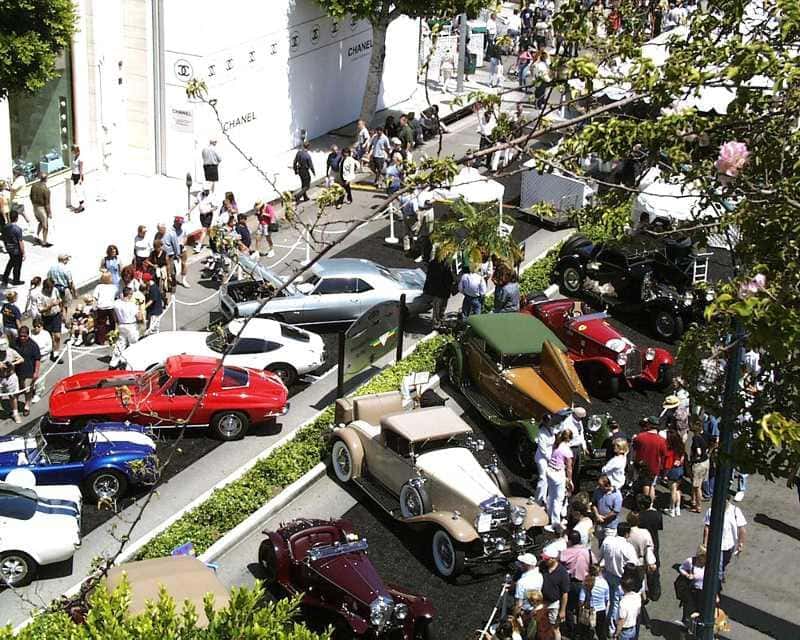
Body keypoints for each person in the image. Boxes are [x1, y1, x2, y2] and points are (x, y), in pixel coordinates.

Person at [600, 523, 638, 632]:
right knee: (616, 603)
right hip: (620, 578)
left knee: (608, 600)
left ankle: (606, 622)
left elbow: (600, 556)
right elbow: (634, 563)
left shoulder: (607, 541)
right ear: (627, 534)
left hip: (607, 575)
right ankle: (612, 628)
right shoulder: (628, 547)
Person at [703, 496, 746, 581]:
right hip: (716, 544)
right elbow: (707, 528)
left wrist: (740, 543)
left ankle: (721, 572)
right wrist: (705, 543)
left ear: (728, 500)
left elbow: (742, 529)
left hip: (730, 544)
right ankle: (717, 581)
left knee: (725, 561)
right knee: (718, 564)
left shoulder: (735, 511)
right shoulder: (711, 511)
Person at [560, 529, 593, 630]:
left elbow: (561, 563)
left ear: (570, 541)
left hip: (570, 583)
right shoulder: (588, 552)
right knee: (582, 606)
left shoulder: (565, 552)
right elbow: (594, 564)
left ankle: (571, 629)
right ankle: (582, 628)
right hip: (585, 583)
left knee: (569, 607)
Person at [632, 416, 667, 500]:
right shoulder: (662, 441)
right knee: (651, 486)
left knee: (645, 485)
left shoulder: (640, 437)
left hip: (641, 465)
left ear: (649, 425)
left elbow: (634, 450)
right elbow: (664, 455)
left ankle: (645, 503)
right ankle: (650, 504)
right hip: (655, 467)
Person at [546, 429, 574, 529]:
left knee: (551, 495)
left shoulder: (556, 445)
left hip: (550, 471)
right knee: (558, 499)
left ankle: (548, 515)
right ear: (569, 439)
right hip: (558, 474)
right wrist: (569, 480)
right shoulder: (567, 450)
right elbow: (569, 468)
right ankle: (555, 523)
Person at [541, 548, 570, 639]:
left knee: (555, 628)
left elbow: (565, 593)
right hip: (541, 603)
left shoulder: (562, 572)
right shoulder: (542, 567)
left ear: (553, 559)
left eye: (546, 559)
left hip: (554, 604)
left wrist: (562, 610)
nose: (544, 560)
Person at [110, 287, 140, 367]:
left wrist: (117, 321)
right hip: (131, 325)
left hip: (121, 324)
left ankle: (114, 362)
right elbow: (139, 317)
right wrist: (139, 309)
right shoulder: (132, 305)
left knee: (120, 344)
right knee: (133, 344)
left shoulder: (116, 303)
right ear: (129, 294)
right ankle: (129, 362)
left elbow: (114, 313)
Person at [423, 253, 455, 330]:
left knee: (437, 306)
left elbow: (429, 276)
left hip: (437, 290)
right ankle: (438, 321)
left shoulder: (433, 263)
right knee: (441, 306)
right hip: (443, 290)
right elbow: (449, 278)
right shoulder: (447, 265)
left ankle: (437, 321)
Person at [13, 326, 40, 417]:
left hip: (29, 371)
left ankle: (27, 406)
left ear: (28, 335)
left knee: (27, 390)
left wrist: (36, 372)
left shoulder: (33, 345)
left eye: (24, 336)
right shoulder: (14, 343)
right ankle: (15, 408)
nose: (22, 338)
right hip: (17, 371)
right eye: (21, 336)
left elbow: (37, 359)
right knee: (16, 390)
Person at [578, 564, 610, 640]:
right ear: (599, 572)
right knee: (601, 632)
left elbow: (581, 600)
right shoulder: (604, 583)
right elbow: (607, 599)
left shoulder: (586, 582)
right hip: (600, 610)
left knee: (585, 632)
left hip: (588, 610)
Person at [677, 545, 707, 625]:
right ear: (700, 555)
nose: (706, 559)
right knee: (689, 609)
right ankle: (686, 624)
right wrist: (687, 575)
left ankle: (697, 625)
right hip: (693, 590)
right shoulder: (690, 561)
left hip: (704, 591)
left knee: (701, 610)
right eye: (704, 556)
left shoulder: (709, 564)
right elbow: (681, 568)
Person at [633, 494, 663, 566]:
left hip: (642, 539)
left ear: (642, 505)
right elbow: (659, 527)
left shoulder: (639, 517)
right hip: (654, 538)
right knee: (654, 554)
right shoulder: (658, 514)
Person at [592, 474, 622, 542]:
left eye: (600, 485)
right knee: (600, 542)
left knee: (609, 544)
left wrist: (604, 517)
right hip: (599, 523)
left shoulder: (617, 495)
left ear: (607, 486)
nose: (598, 486)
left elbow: (615, 511)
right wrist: (597, 515)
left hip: (610, 527)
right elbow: (594, 503)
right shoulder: (597, 491)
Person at [0, 336, 23, 423]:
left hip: (10, 377)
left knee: (13, 396)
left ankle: (15, 413)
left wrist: (13, 363)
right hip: (0, 378)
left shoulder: (11, 351)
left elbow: (21, 359)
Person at [39, 278, 63, 360]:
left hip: (56, 315)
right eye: (49, 288)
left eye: (52, 287)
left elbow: (59, 299)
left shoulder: (55, 290)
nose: (51, 290)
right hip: (46, 317)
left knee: (57, 336)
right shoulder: (40, 295)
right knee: (49, 337)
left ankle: (56, 354)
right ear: (45, 287)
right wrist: (50, 306)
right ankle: (51, 350)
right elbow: (40, 310)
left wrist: (61, 309)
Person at [664, 429, 686, 517]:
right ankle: (677, 508)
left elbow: (668, 464)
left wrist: (665, 474)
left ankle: (672, 509)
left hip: (672, 470)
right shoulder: (681, 447)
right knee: (677, 489)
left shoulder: (670, 450)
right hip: (680, 469)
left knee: (673, 490)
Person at [613, 574, 641, 640]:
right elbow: (638, 612)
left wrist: (616, 634)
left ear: (623, 588)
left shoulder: (623, 602)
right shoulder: (637, 596)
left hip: (624, 631)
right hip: (633, 628)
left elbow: (621, 620)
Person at [93, 271, 117, 345]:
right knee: (112, 322)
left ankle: (101, 340)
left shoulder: (99, 287)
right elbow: (116, 296)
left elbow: (95, 297)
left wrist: (94, 307)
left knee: (101, 324)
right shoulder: (113, 287)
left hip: (101, 307)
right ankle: (112, 338)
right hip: (111, 306)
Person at [164, 217, 190, 288]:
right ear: (175, 222)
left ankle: (184, 280)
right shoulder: (170, 230)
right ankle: (171, 280)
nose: (180, 225)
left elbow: (185, 237)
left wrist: (182, 243)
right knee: (171, 265)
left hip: (182, 249)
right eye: (179, 223)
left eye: (181, 223)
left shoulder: (183, 229)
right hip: (172, 250)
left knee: (184, 264)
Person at [29, 319, 51, 404]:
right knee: (33, 375)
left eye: (38, 326)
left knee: (40, 376)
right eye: (35, 326)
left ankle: (38, 393)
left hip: (43, 358)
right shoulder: (31, 333)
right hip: (32, 359)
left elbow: (49, 348)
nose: (36, 328)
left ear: (41, 326)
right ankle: (34, 387)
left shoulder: (46, 334)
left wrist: (39, 353)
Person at [2, 209, 25, 287]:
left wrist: (6, 247)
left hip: (9, 248)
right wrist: (23, 252)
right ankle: (16, 280)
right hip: (16, 250)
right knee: (17, 266)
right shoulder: (18, 229)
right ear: (17, 218)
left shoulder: (5, 227)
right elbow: (20, 242)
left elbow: (3, 238)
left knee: (11, 262)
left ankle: (5, 277)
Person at [29, 172, 52, 246]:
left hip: (35, 207)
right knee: (45, 226)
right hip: (42, 209)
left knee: (40, 222)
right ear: (46, 179)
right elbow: (47, 204)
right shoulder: (46, 190)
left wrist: (33, 203)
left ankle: (37, 236)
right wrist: (49, 213)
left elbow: (30, 196)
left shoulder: (34, 185)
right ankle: (44, 241)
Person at [71, 144, 85, 211]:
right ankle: (80, 205)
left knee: (79, 191)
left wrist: (80, 179)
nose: (72, 152)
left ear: (76, 150)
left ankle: (81, 206)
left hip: (78, 176)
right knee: (77, 191)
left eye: (73, 151)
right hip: (74, 175)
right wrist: (72, 175)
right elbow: (74, 167)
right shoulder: (75, 157)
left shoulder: (80, 159)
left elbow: (81, 170)